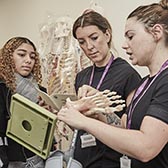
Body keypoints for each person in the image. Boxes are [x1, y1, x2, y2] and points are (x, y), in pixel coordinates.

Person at [58, 0, 168, 167]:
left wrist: (84, 122)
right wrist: (98, 112)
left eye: (131, 36)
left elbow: (146, 147)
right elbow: (124, 127)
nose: (124, 45)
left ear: (157, 32)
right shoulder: (146, 83)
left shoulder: (163, 81)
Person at [63, 11, 141, 168]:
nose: (89, 47)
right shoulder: (82, 77)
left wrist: (101, 110)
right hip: (83, 159)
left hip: (110, 160)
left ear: (107, 35)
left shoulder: (127, 74)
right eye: (82, 42)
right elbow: (80, 123)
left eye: (94, 38)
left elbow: (133, 129)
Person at [0, 37, 52, 168]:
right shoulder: (2, 88)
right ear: (8, 57)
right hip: (12, 161)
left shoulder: (42, 91)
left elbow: (48, 134)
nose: (28, 60)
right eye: (21, 54)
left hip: (40, 159)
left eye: (32, 57)